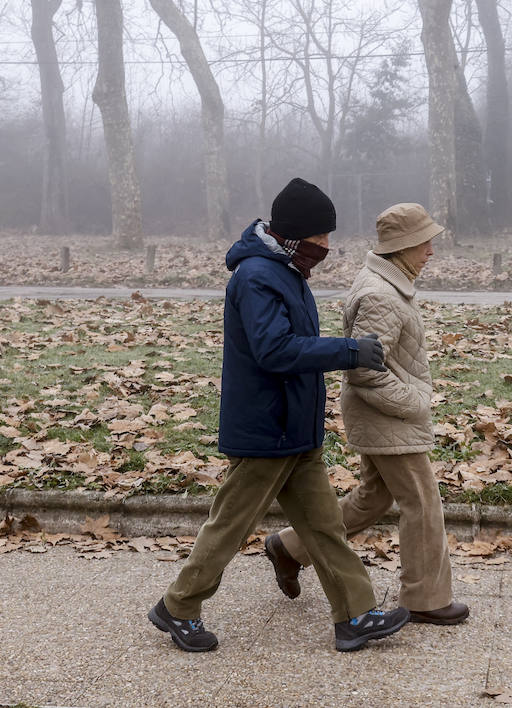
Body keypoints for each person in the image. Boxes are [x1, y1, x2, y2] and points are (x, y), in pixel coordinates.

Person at [149, 178, 410, 653]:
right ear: (294, 234)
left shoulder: (286, 271)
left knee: (325, 528)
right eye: (321, 237)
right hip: (265, 431)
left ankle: (355, 614)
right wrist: (349, 350)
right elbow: (274, 351)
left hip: (296, 430)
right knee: (229, 526)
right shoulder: (256, 276)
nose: (326, 247)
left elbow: (294, 348)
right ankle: (178, 607)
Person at [264, 202, 470, 625]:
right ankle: (424, 597)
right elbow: (365, 373)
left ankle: (290, 547)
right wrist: (417, 403)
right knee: (422, 501)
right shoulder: (380, 294)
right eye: (424, 242)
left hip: (382, 414)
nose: (431, 250)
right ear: (402, 247)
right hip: (387, 415)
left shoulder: (386, 283)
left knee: (374, 496)